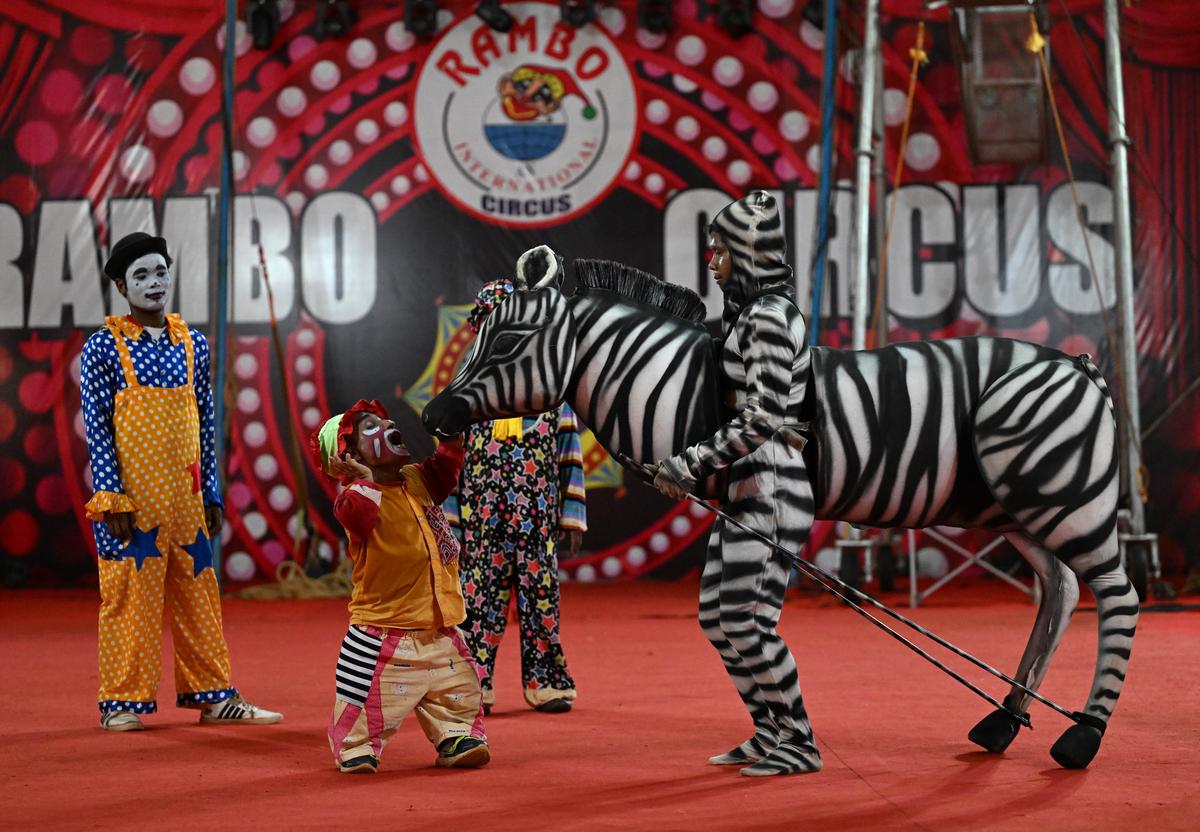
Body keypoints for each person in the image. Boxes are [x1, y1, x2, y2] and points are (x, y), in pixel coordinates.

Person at [81, 232, 282, 730]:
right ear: (121, 286)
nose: (155, 283)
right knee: (132, 597)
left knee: (199, 593)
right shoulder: (104, 347)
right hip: (132, 501)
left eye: (160, 271)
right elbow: (98, 427)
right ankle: (122, 702)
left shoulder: (192, 344)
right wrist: (111, 496)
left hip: (187, 499)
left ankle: (214, 696)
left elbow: (206, 422)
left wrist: (211, 489)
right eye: (142, 275)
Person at [650, 192, 820, 776]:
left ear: (748, 254)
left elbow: (764, 416)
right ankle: (770, 729)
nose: (712, 261)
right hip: (747, 490)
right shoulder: (749, 316)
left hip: (771, 488)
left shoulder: (770, 319)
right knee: (717, 616)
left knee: (747, 618)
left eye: (721, 250)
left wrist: (689, 463)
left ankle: (799, 741)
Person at [311, 399, 489, 773]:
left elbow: (444, 470)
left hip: (439, 625)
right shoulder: (354, 498)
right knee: (365, 695)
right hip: (384, 634)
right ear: (350, 456)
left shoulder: (415, 478)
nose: (388, 422)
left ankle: (456, 733)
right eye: (371, 426)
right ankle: (356, 745)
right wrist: (364, 479)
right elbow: (360, 519)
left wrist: (451, 439)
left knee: (459, 686)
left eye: (384, 418)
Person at [444, 279, 587, 715]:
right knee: (478, 604)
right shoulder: (465, 401)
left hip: (537, 526)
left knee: (541, 600)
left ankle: (546, 682)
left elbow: (569, 456)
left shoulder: (551, 398)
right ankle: (475, 684)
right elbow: (450, 465)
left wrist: (571, 517)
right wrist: (450, 523)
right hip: (482, 529)